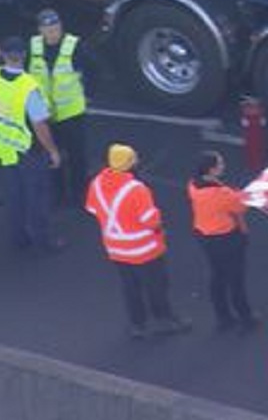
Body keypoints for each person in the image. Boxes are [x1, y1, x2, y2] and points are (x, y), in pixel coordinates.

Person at [0, 36, 66, 253]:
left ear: (2, 55)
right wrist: (53, 151)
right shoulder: (28, 87)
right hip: (29, 150)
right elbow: (40, 125)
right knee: (37, 198)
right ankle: (43, 243)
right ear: (24, 56)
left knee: (15, 195)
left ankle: (18, 238)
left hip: (4, 147)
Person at [86, 144, 192, 339]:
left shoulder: (97, 183)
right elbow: (150, 220)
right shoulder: (137, 189)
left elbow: (93, 210)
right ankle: (164, 319)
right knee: (156, 285)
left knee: (130, 287)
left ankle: (138, 324)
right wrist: (159, 225)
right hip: (144, 250)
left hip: (116, 248)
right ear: (130, 164)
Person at [28, 8, 95, 208]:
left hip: (71, 114)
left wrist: (89, 94)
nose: (53, 32)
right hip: (46, 116)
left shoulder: (74, 46)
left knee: (77, 158)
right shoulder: (33, 47)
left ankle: (80, 197)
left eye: (56, 27)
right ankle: (58, 196)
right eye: (48, 29)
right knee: (52, 156)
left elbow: (94, 69)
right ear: (40, 30)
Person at [188, 150, 258, 333]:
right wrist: (239, 193)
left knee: (218, 276)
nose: (223, 167)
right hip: (227, 239)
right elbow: (241, 207)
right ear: (211, 170)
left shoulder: (193, 186)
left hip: (205, 236)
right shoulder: (221, 193)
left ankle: (223, 316)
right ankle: (245, 316)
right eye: (219, 164)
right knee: (236, 279)